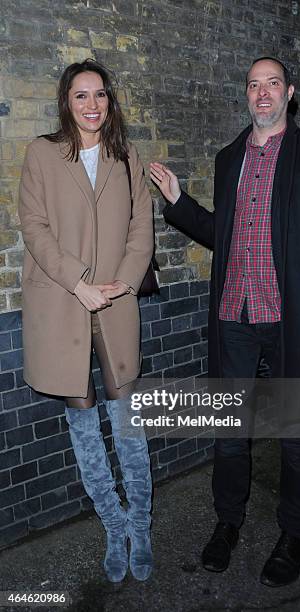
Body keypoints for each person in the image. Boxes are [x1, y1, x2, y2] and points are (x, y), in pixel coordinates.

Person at [150, 56, 300, 587]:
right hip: (235, 315)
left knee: (297, 434)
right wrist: (180, 203)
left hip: (293, 315)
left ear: (289, 93)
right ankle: (228, 522)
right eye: (254, 85)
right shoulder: (229, 159)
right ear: (246, 95)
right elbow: (222, 233)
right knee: (229, 434)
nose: (263, 93)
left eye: (273, 83)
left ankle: (294, 532)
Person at [19, 59, 154, 584]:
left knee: (129, 427)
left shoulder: (126, 156)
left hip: (117, 305)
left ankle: (141, 526)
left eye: (100, 95)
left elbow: (141, 227)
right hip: (62, 303)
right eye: (81, 96)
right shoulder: (42, 154)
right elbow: (34, 225)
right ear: (66, 101)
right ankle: (113, 526)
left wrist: (122, 280)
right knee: (84, 427)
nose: (92, 105)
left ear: (109, 102)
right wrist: (79, 281)